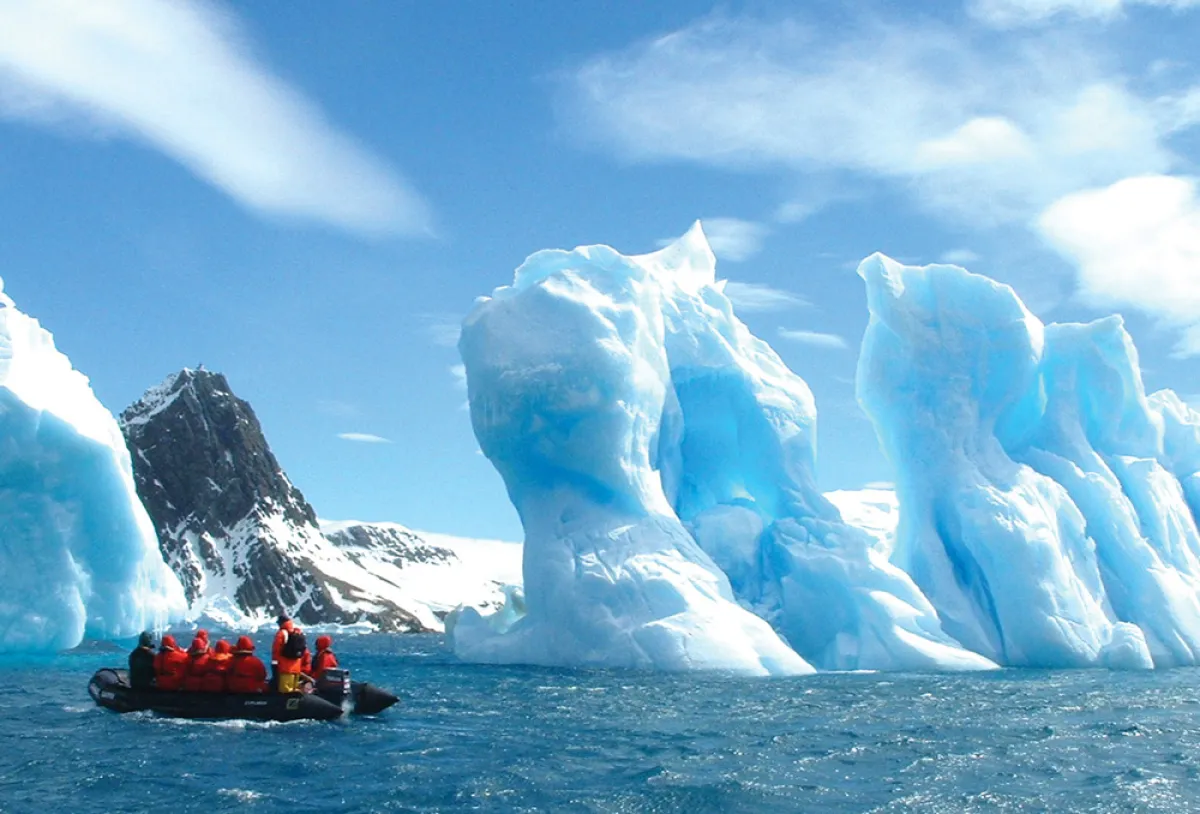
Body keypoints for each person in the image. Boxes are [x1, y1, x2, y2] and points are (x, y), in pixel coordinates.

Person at [271, 615, 304, 693]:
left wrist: (274, 665)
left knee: (285, 693)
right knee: (294, 692)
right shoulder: (298, 632)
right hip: (297, 669)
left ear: (281, 623)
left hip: (285, 670)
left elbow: (276, 650)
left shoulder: (282, 633)